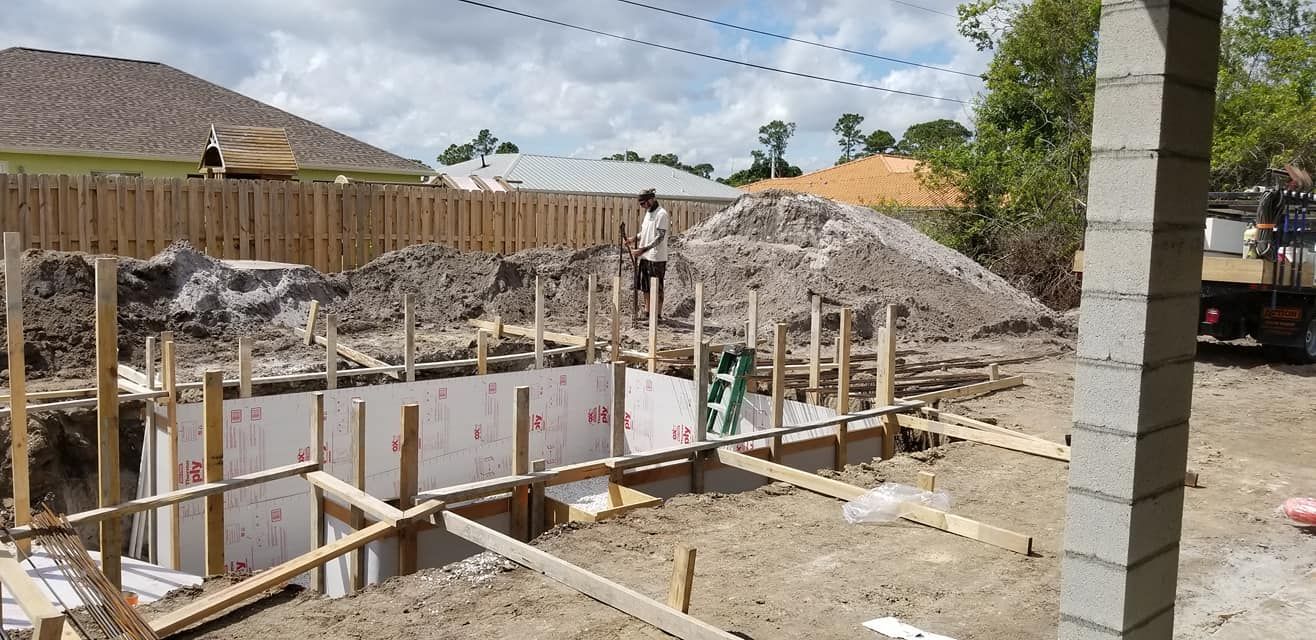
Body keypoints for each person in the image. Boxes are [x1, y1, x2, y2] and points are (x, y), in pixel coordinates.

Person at [624, 188, 670, 320]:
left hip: (657, 257)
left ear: (652, 199)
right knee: (645, 286)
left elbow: (660, 237)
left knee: (657, 287)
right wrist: (634, 238)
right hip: (645, 256)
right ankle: (647, 312)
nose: (643, 206)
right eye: (641, 204)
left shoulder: (661, 214)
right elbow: (645, 233)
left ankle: (658, 314)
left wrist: (643, 249)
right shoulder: (648, 213)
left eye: (644, 203)